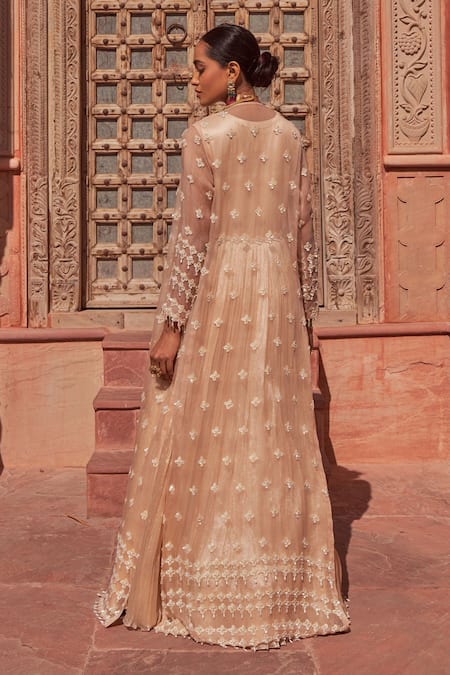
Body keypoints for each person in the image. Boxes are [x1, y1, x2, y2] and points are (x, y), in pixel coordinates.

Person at [95, 23, 350, 649]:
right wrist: (307, 321)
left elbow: (193, 236)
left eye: (200, 68)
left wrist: (170, 327)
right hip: (279, 297)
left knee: (206, 429)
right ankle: (281, 588)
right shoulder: (290, 135)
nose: (193, 79)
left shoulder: (205, 135)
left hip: (224, 289)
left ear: (231, 72)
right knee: (269, 432)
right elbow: (303, 234)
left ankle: (211, 584)